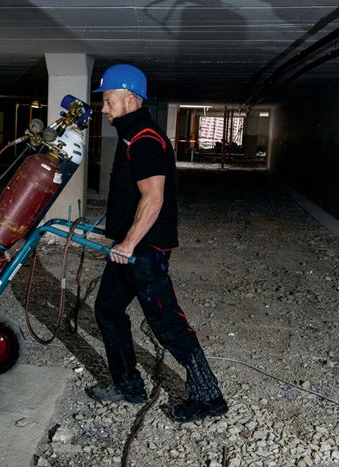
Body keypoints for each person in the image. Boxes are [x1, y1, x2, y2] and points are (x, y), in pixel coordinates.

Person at [87, 64, 227, 423]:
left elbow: (153, 198)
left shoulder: (145, 139)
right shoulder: (131, 135)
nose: (104, 109)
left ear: (130, 99)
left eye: (109, 100)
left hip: (145, 250)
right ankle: (128, 385)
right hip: (128, 245)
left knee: (166, 323)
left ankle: (208, 396)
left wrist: (129, 243)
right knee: (107, 309)